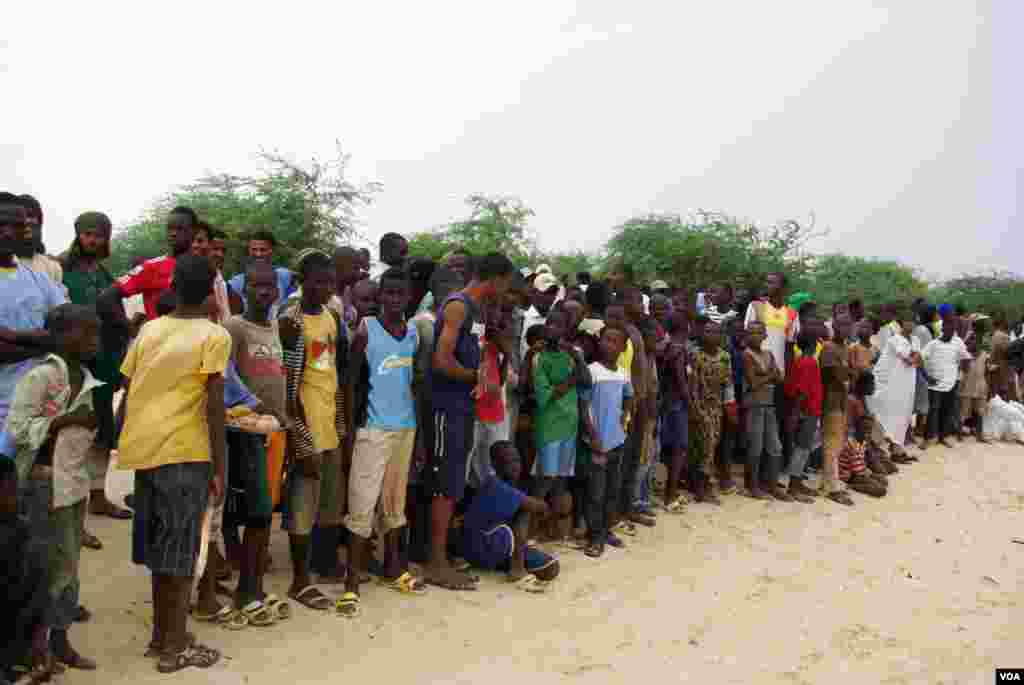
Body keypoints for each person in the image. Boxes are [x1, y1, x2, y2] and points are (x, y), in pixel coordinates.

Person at [117, 254, 226, 672]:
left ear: (173, 287)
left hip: (146, 453)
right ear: (213, 290)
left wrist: (121, 440)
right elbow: (214, 406)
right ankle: (174, 648)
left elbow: (128, 391)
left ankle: (162, 635)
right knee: (181, 556)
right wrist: (220, 465)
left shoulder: (149, 329)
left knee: (161, 552)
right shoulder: (213, 336)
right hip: (186, 452)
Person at [6, 304, 102, 671]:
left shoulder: (87, 378)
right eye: (86, 334)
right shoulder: (41, 377)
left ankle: (60, 641)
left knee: (68, 566)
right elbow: (16, 429)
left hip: (73, 485)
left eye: (96, 334)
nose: (93, 341)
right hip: (42, 484)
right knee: (40, 566)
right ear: (61, 337)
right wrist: (61, 422)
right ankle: (35, 647)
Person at [338, 267, 424, 618]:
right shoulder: (367, 329)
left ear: (408, 297)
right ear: (380, 297)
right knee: (361, 503)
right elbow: (350, 383)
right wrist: (348, 429)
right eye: (387, 294)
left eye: (399, 294)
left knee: (394, 503)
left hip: (405, 428)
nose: (393, 299)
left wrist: (419, 436)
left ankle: (395, 570)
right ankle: (351, 585)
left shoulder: (414, 333)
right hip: (373, 428)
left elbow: (414, 385)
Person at [427, 252, 515, 590]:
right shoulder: (458, 306)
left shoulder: (476, 311)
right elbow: (440, 361)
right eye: (505, 285)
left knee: (452, 485)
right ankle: (436, 563)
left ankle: (442, 558)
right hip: (446, 409)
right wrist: (476, 378)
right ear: (496, 279)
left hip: (463, 409)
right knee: (444, 486)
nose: (505, 292)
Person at [278, 250, 350, 611]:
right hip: (304, 423)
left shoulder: (332, 317)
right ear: (302, 282)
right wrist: (297, 434)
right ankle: (299, 580)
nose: (324, 288)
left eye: (329, 283)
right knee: (302, 503)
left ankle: (323, 565)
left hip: (330, 422)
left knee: (328, 502)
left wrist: (342, 423)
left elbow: (335, 373)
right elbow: (287, 385)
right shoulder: (289, 321)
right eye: (318, 282)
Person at [221, 261, 291, 626]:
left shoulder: (276, 327)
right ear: (243, 289)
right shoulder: (234, 327)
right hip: (245, 431)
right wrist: (255, 407)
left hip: (274, 432)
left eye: (269, 286)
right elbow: (225, 378)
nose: (264, 292)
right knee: (259, 512)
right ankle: (248, 589)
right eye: (256, 286)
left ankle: (251, 585)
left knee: (263, 508)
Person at [57, 212, 132, 537]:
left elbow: (114, 319)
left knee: (101, 432)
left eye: (99, 235)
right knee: (73, 435)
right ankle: (73, 519)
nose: (93, 241)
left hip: (103, 363)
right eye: (88, 234)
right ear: (78, 235)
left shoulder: (104, 275)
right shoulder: (60, 269)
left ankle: (98, 496)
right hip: (73, 366)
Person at [0, 194, 68, 460]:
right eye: (1, 224)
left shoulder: (39, 280)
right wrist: (38, 344)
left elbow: (70, 328)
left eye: (15, 225)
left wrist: (15, 341)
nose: (7, 232)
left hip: (34, 410)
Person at [460, 441, 559, 591]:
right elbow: (539, 506)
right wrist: (541, 497)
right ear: (494, 464)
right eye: (509, 461)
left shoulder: (502, 483)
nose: (515, 466)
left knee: (551, 567)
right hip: (483, 548)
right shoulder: (496, 485)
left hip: (492, 547)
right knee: (524, 509)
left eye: (517, 460)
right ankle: (517, 569)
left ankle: (512, 562)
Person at [530, 307, 589, 543]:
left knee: (562, 479)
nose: (553, 329)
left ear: (566, 329)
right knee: (546, 477)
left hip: (569, 422)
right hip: (549, 423)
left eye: (558, 325)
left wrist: (576, 359)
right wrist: (573, 377)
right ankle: (530, 527)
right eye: (550, 324)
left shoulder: (573, 354)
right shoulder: (539, 357)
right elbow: (547, 395)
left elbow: (587, 380)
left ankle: (552, 528)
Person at [579, 325, 633, 557]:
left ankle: (606, 530)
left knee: (612, 490)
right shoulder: (591, 371)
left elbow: (629, 397)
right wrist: (593, 436)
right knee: (596, 492)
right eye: (605, 340)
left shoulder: (622, 373)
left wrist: (625, 418)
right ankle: (595, 537)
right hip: (597, 442)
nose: (608, 344)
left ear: (622, 347)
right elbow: (583, 407)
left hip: (616, 441)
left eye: (614, 341)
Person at [1, 458, 54, 683]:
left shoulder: (22, 532)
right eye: (10, 490)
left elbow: (39, 591)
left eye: (15, 488)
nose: (17, 496)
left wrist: (39, 641)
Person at [99, 206, 197, 325]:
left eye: (180, 229)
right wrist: (128, 329)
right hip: (160, 341)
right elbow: (107, 297)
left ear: (194, 231)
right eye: (170, 229)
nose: (173, 233)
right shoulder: (151, 267)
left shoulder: (204, 267)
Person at [742, 322, 790, 501]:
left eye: (758, 333)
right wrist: (769, 375)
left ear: (764, 336)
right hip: (754, 405)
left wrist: (765, 376)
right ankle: (753, 486)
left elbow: (780, 377)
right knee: (755, 447)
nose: (755, 336)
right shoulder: (747, 355)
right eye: (751, 333)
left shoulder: (768, 354)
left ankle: (771, 484)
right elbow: (754, 383)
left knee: (774, 446)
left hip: (768, 404)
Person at [688, 318, 734, 505]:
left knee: (711, 446)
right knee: (702, 447)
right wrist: (694, 408)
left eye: (715, 332)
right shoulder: (695, 355)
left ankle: (703, 485)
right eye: (707, 331)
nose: (711, 335)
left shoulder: (725, 357)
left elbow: (728, 384)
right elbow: (690, 384)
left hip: (716, 408)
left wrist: (730, 406)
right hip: (698, 407)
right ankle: (701, 488)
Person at [867, 317, 919, 460]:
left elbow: (917, 359)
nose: (912, 323)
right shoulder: (894, 340)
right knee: (886, 414)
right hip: (891, 384)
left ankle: (898, 450)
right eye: (909, 320)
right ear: (902, 323)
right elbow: (910, 360)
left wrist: (913, 359)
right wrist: (913, 359)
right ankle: (881, 449)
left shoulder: (915, 340)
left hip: (907, 384)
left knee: (903, 415)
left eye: (914, 321)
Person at [819, 313, 855, 506]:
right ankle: (831, 487)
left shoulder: (845, 348)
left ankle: (829, 481)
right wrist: (850, 373)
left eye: (848, 325)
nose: (845, 329)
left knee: (837, 443)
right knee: (831, 445)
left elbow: (847, 374)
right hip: (831, 401)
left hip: (841, 401)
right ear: (834, 326)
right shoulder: (829, 348)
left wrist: (849, 373)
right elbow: (838, 376)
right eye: (842, 325)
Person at [921, 317, 971, 449]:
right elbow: (920, 359)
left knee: (947, 410)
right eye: (947, 327)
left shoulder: (958, 342)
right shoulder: (933, 344)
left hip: (952, 383)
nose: (950, 330)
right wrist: (927, 377)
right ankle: (928, 438)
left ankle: (943, 437)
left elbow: (966, 357)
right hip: (935, 384)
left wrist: (961, 374)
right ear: (942, 329)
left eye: (952, 328)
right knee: (933, 411)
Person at [783, 333, 822, 502]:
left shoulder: (800, 361)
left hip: (804, 410)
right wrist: (796, 414)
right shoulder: (809, 362)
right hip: (807, 411)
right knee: (802, 448)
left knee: (803, 448)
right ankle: (794, 486)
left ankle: (797, 483)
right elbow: (801, 391)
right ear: (812, 345)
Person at [659, 311, 691, 513]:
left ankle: (670, 491)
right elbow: (681, 381)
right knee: (679, 449)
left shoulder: (667, 348)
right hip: (677, 404)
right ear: (685, 328)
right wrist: (692, 404)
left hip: (667, 402)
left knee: (671, 448)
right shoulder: (679, 350)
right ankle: (670, 495)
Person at [227, 229, 296, 316]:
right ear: (249, 250)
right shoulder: (236, 282)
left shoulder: (284, 276)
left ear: (272, 251)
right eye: (254, 249)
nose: (258, 254)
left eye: (263, 250)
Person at [843, 372, 888, 497]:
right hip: (851, 471)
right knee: (881, 485)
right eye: (872, 384)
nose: (873, 387)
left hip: (860, 449)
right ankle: (853, 485)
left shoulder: (862, 399)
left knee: (883, 475)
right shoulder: (852, 401)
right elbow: (857, 469)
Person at [15, 194, 64, 288]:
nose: (27, 221)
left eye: (31, 215)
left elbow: (61, 300)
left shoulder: (52, 267)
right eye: (20, 216)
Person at [958, 333, 990, 443]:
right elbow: (962, 370)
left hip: (980, 386)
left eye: (976, 341)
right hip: (967, 386)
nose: (974, 343)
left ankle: (979, 434)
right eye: (971, 341)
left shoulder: (984, 355)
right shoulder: (965, 356)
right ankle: (959, 433)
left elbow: (987, 370)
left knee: (980, 411)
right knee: (963, 411)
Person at [521, 271, 560, 359]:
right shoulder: (522, 318)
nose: (550, 297)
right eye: (546, 292)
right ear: (534, 292)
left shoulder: (557, 320)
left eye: (553, 293)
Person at [990, 316, 1018, 402]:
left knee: (996, 391)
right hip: (1004, 367)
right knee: (1006, 392)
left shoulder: (992, 336)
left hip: (994, 367)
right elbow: (1009, 352)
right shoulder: (1004, 337)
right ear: (1001, 325)